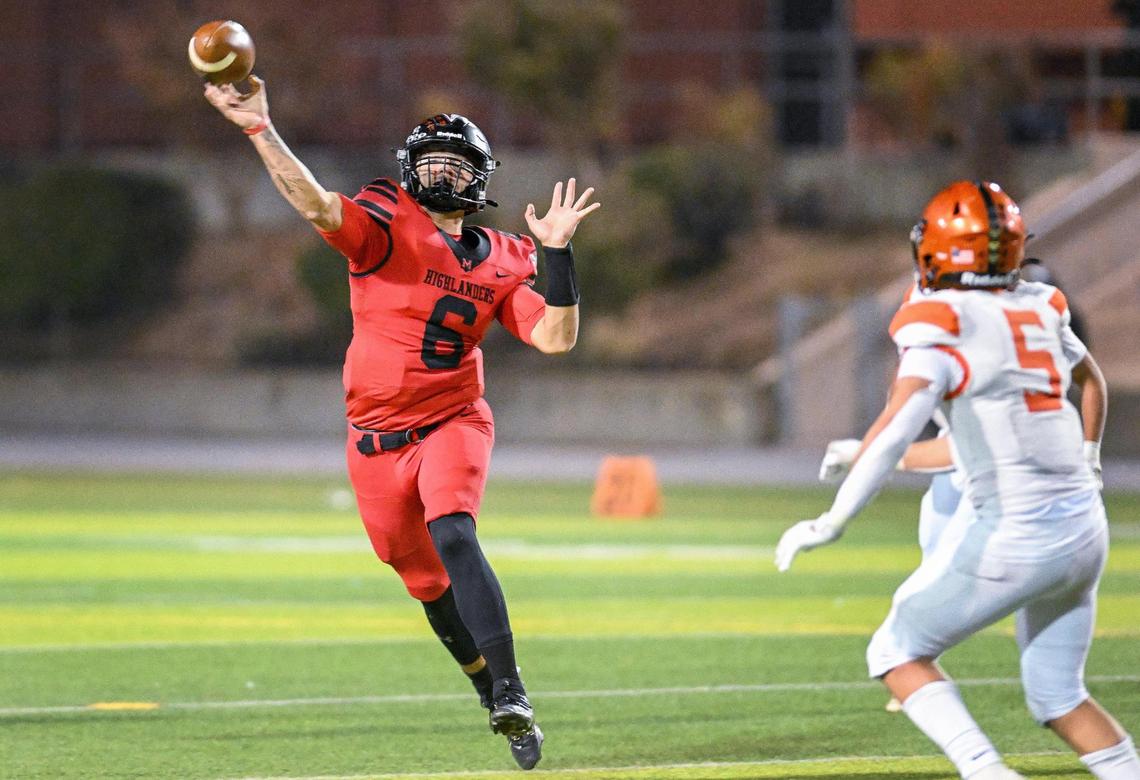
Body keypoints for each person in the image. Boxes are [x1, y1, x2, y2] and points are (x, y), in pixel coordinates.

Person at [203, 76, 600, 771]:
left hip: (453, 419)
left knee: (454, 531)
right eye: (432, 160)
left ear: (480, 179)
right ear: (410, 170)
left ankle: (512, 689)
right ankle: (490, 692)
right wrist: (260, 127)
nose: (443, 172)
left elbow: (555, 338)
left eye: (457, 163)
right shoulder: (384, 224)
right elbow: (314, 202)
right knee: (424, 583)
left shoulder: (506, 256)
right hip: (374, 442)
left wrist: (559, 256)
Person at [777, 181, 1138, 779]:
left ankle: (987, 772)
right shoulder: (1041, 305)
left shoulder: (938, 318)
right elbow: (1080, 386)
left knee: (894, 650)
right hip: (1084, 530)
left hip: (1017, 535)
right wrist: (1091, 456)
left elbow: (896, 432)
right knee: (1059, 697)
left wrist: (830, 521)